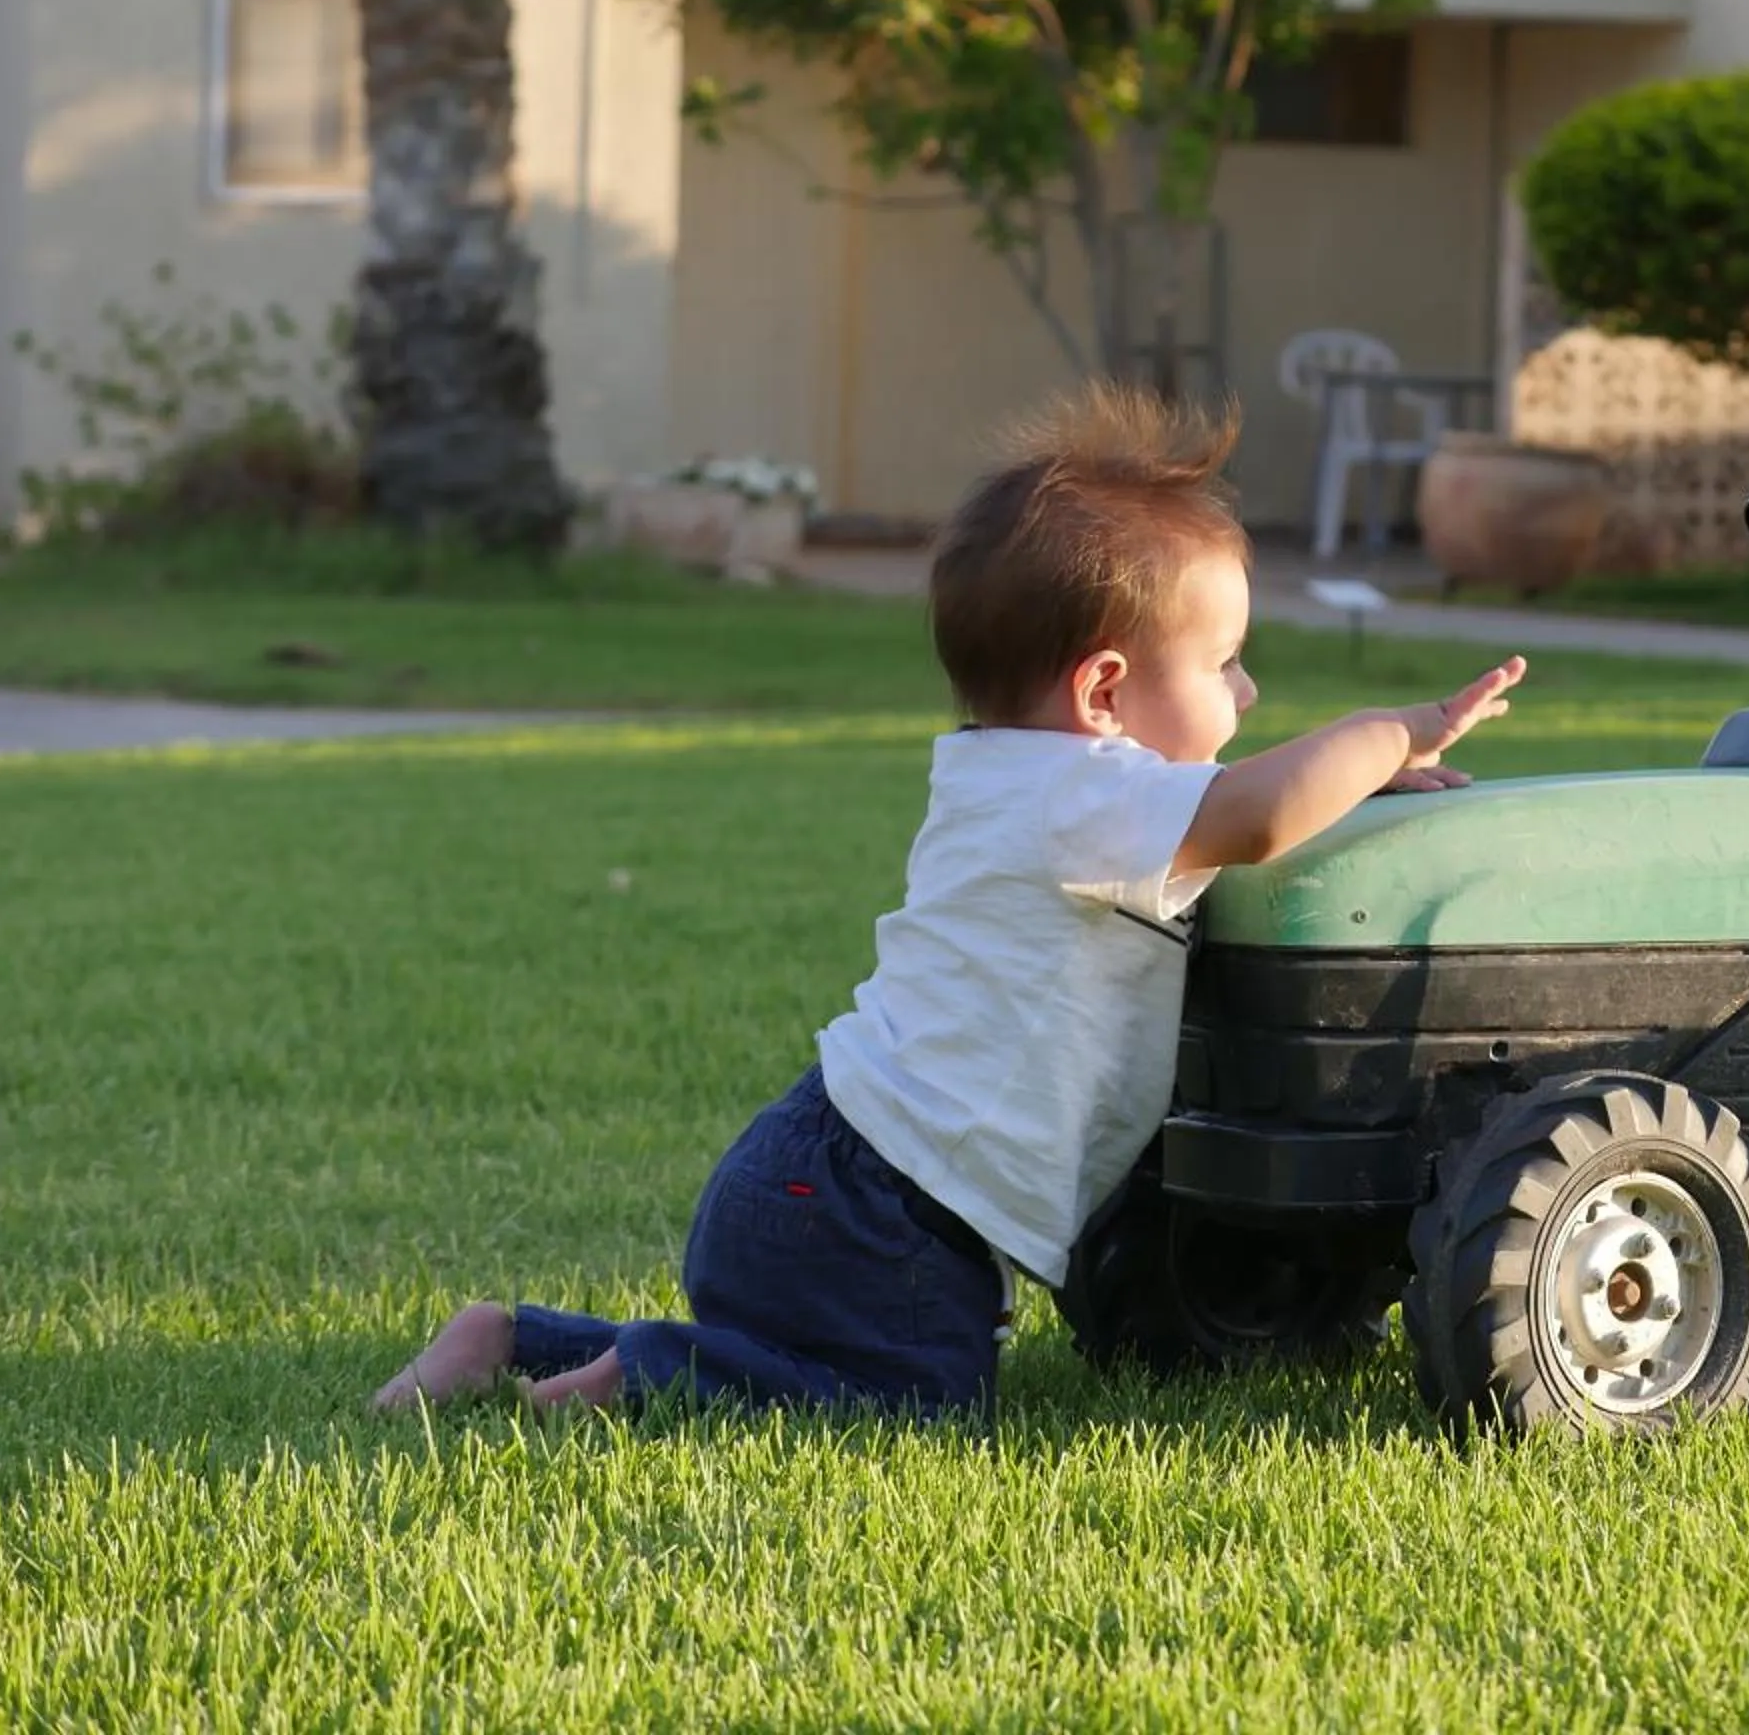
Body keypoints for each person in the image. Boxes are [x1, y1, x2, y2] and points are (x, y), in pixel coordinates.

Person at [370, 383, 1524, 1419]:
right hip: (886, 1212)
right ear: (1106, 690)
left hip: (826, 1170)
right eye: (1225, 662)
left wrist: (1351, 784)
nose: (1249, 686)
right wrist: (1396, 732)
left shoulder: (1019, 777)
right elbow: (1263, 811)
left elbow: (1231, 804)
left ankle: (513, 1340)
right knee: (910, 1397)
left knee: (808, 1353)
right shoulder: (1090, 800)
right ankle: (646, 1380)